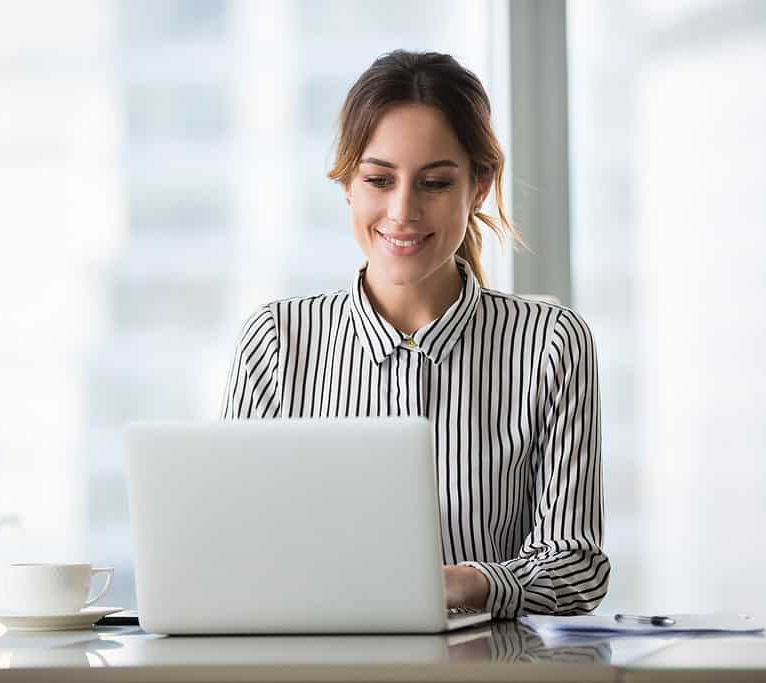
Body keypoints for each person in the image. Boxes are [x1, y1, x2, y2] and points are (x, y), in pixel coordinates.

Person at [222, 50, 609, 618]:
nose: (402, 211)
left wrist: (469, 583)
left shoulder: (551, 342)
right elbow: (237, 547)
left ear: (477, 189)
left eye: (433, 182)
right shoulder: (277, 340)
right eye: (379, 179)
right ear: (347, 186)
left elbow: (575, 566)